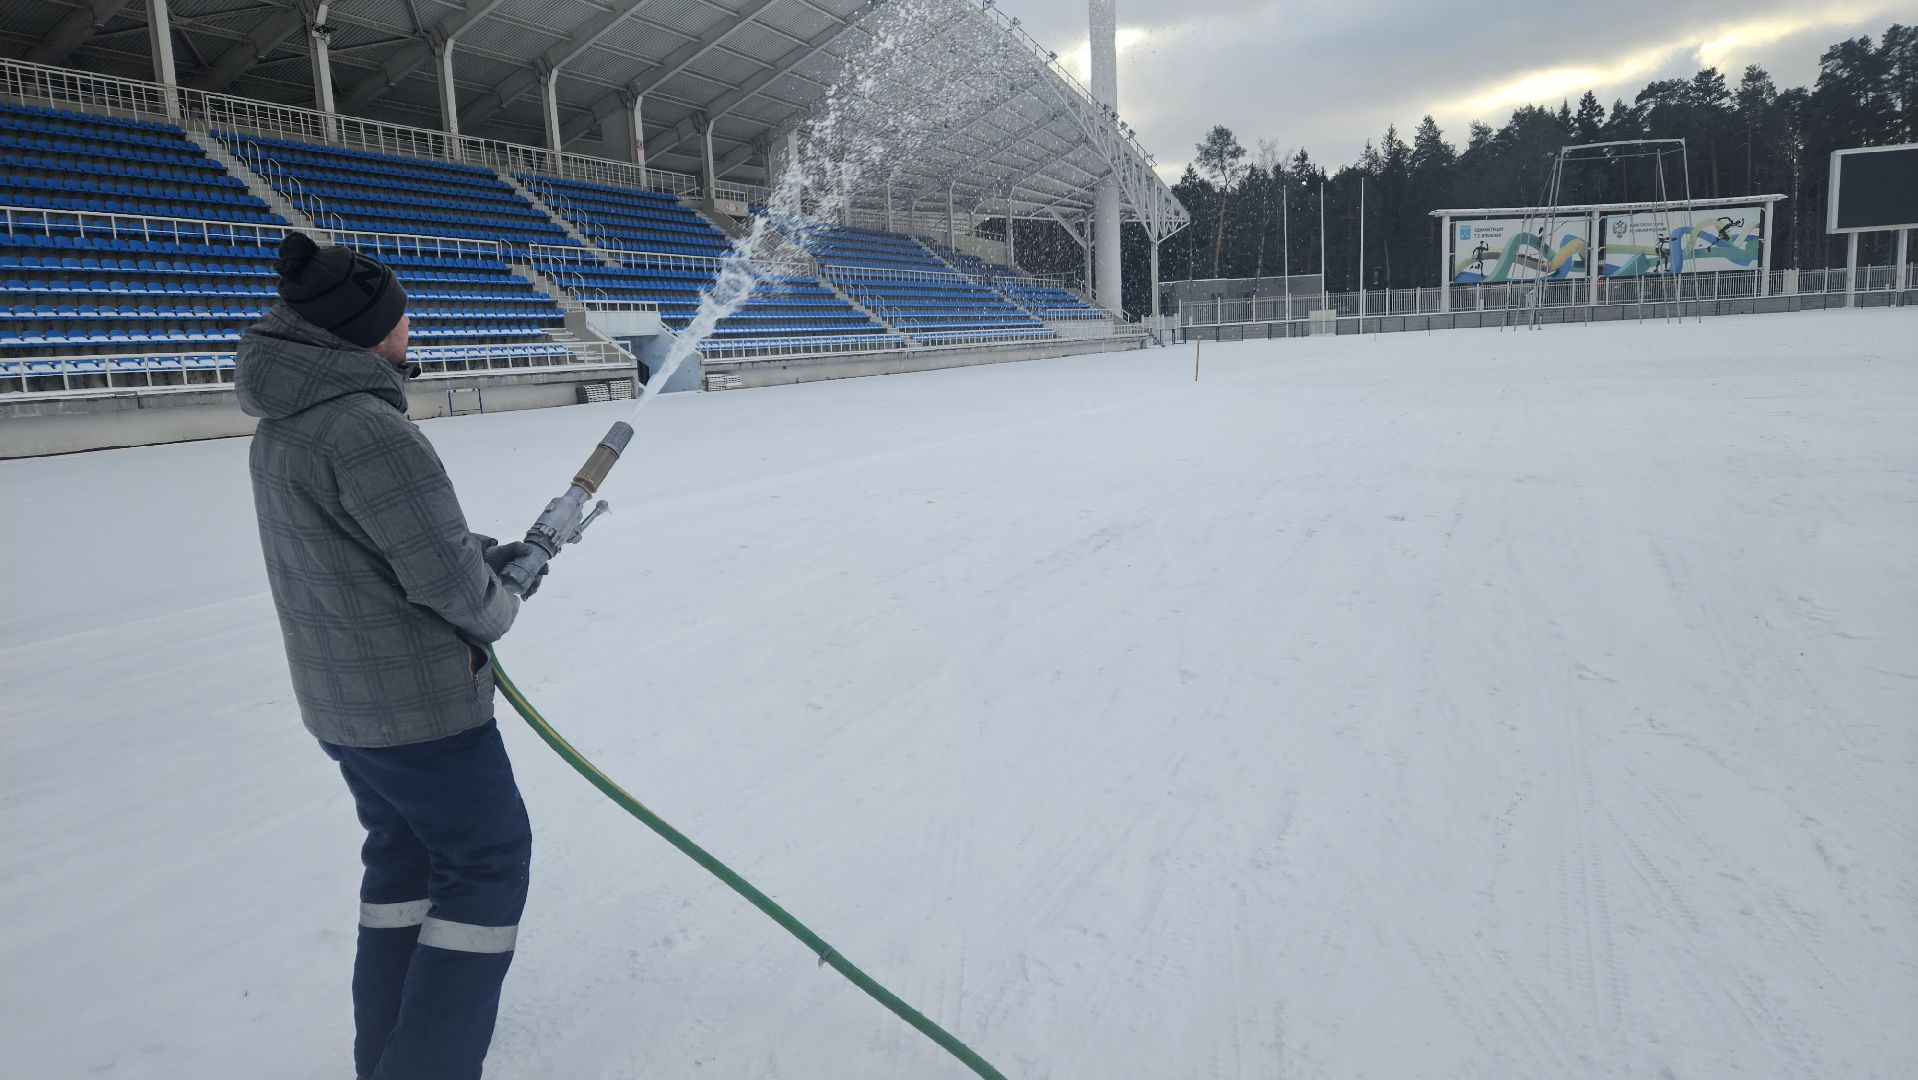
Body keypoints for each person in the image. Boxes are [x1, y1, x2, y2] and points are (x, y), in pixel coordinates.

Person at [235, 233, 547, 1080]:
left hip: (348, 710)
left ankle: (388, 1061)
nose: (413, 324)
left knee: (406, 866)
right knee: (486, 868)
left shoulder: (288, 424)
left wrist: (487, 549)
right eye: (402, 313)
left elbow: (370, 541)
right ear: (369, 330)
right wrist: (504, 591)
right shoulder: (367, 428)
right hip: (420, 714)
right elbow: (453, 589)